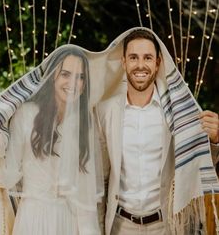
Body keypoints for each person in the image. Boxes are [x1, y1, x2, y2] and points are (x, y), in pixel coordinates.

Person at [94, 28, 219, 235]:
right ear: (124, 62)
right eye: (133, 57)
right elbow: (101, 180)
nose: (140, 65)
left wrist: (215, 141)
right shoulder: (105, 111)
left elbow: (200, 165)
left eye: (147, 58)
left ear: (157, 63)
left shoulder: (177, 111)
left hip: (167, 227)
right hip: (120, 226)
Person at [0, 45, 103, 235]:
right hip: (33, 218)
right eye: (65, 74)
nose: (73, 82)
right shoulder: (26, 114)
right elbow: (7, 177)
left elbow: (86, 196)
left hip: (69, 222)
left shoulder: (84, 124)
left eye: (80, 77)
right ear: (51, 77)